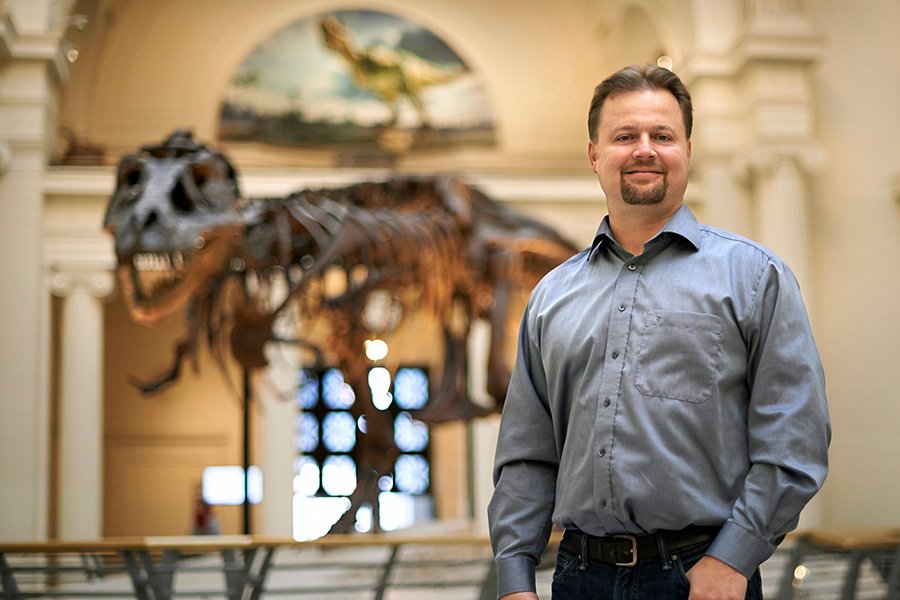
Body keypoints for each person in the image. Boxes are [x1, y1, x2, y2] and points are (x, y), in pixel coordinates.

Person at [487, 64, 830, 600]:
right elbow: (527, 454)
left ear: (686, 151)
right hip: (578, 578)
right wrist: (513, 578)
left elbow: (795, 441)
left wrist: (732, 560)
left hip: (703, 576)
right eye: (625, 136)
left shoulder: (755, 277)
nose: (644, 149)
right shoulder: (551, 296)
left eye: (662, 136)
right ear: (595, 155)